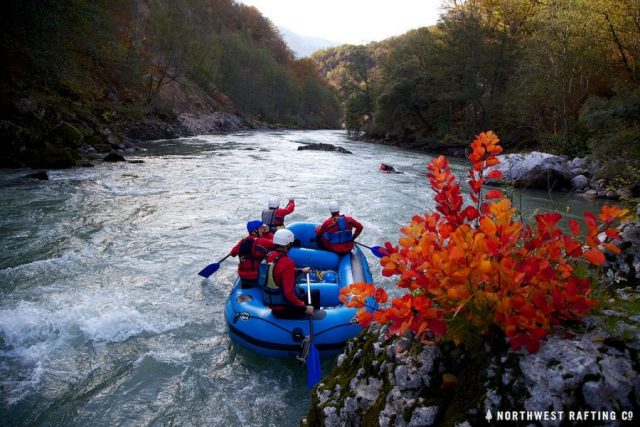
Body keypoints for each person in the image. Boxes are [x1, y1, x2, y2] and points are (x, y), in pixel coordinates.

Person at [261, 229, 319, 318]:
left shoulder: (270, 256)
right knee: (315, 293)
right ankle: (315, 319)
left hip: (272, 303)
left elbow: (277, 271)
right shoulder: (288, 262)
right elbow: (288, 294)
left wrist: (300, 271)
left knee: (302, 291)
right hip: (284, 308)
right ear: (288, 244)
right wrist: (304, 307)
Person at [230, 220, 274, 288]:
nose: (263, 230)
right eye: (261, 228)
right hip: (256, 277)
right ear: (254, 231)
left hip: (243, 277)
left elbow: (233, 253)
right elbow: (276, 243)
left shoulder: (242, 242)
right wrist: (268, 233)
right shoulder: (261, 241)